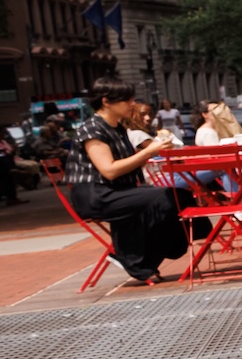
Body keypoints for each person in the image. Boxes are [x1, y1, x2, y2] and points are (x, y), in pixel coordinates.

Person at [65, 80, 188, 285]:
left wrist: (154, 153)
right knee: (166, 197)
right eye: (127, 100)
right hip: (97, 195)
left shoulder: (118, 128)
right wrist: (148, 152)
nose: (132, 104)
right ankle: (134, 257)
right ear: (106, 102)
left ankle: (140, 256)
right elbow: (109, 170)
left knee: (179, 195)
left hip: (119, 190)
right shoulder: (92, 129)